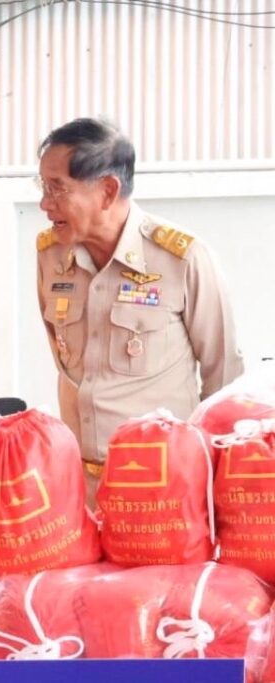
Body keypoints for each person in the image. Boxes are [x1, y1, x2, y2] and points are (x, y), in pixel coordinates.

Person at [35, 117, 243, 501]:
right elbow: (65, 364)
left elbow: (224, 379)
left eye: (57, 188)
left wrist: (214, 486)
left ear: (107, 190)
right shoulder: (52, 255)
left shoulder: (182, 258)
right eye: (43, 187)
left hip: (164, 488)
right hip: (81, 488)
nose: (45, 203)